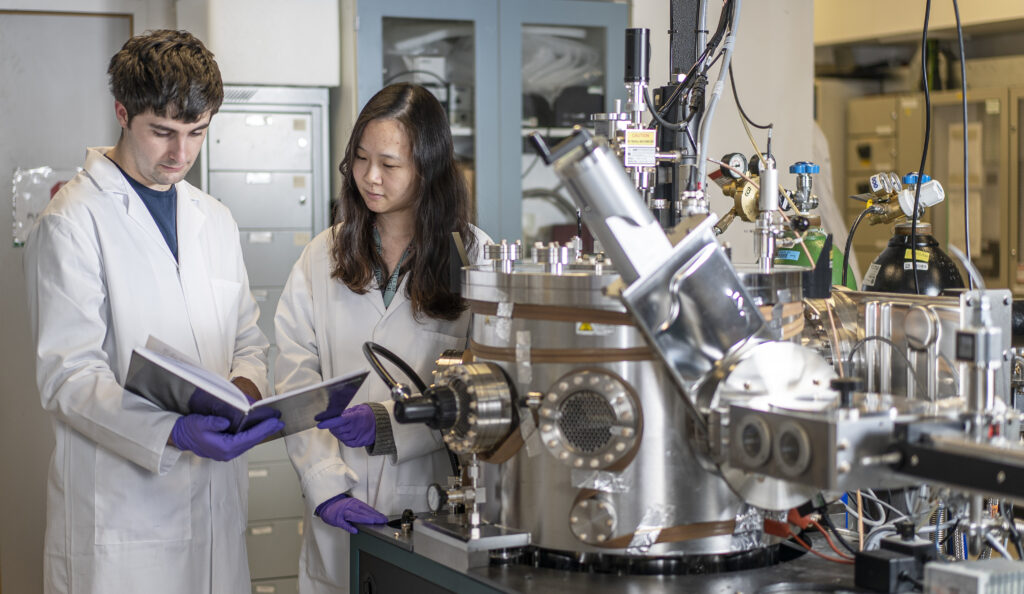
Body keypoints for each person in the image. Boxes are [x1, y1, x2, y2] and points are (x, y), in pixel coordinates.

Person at [24, 30, 283, 594]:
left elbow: (248, 339)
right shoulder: (73, 221)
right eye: (162, 132)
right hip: (123, 518)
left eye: (197, 133)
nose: (180, 155)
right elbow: (69, 376)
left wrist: (244, 391)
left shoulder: (214, 219)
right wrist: (173, 431)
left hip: (215, 510)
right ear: (123, 113)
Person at [274, 83, 491, 593]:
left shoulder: (475, 258)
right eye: (361, 158)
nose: (370, 177)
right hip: (337, 496)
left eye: (389, 164)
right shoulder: (322, 254)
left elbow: (485, 390)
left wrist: (393, 425)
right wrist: (324, 484)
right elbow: (293, 376)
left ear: (428, 169)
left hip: (429, 502)